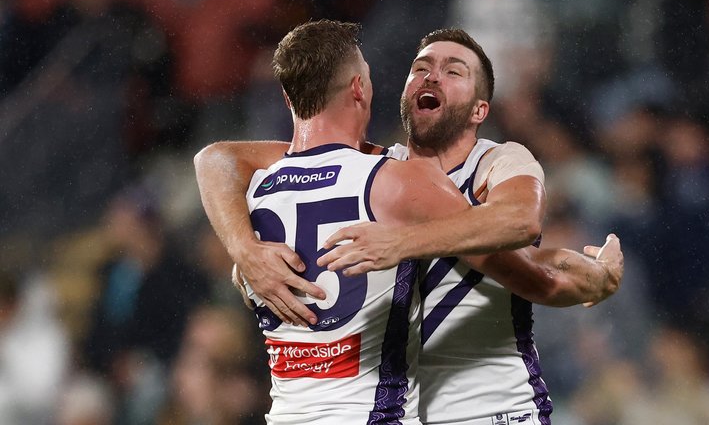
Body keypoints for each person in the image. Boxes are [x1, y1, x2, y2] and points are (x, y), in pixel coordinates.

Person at [195, 25, 624, 424]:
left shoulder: (498, 161)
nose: (431, 77)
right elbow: (218, 158)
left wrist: (403, 242)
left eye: (453, 71)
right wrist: (245, 250)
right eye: (420, 68)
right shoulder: (382, 173)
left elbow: (520, 225)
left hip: (492, 409)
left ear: (480, 109)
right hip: (407, 410)